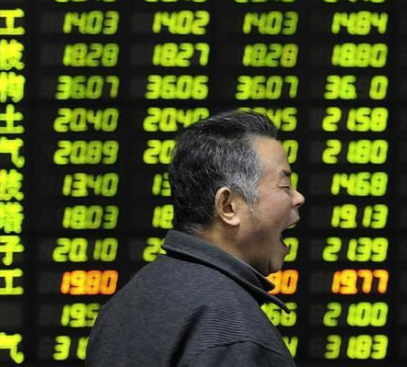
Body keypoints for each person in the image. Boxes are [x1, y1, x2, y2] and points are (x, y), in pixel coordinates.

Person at [86, 110, 305, 366]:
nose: (298, 198)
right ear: (228, 206)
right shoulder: (235, 336)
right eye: (284, 185)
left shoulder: (125, 303)